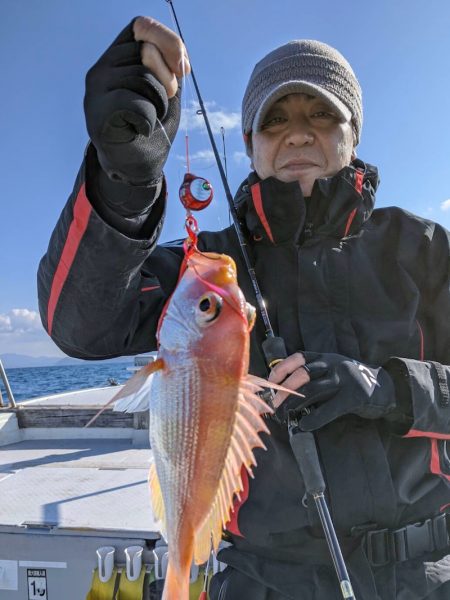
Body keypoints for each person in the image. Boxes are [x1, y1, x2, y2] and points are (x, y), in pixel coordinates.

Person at [37, 16, 450, 600]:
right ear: (250, 143)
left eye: (321, 114)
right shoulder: (208, 269)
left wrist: (385, 389)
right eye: (275, 119)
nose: (298, 134)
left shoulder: (425, 249)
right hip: (263, 579)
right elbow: (80, 324)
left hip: (428, 571)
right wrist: (123, 178)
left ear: (353, 134)